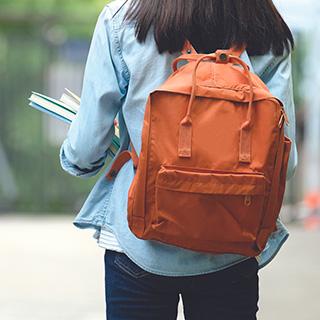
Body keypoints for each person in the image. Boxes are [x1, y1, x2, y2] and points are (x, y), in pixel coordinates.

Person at [59, 0, 298, 319]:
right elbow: (286, 161)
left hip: (138, 244)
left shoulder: (124, 19)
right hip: (233, 244)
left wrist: (79, 159)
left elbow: (85, 149)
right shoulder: (266, 25)